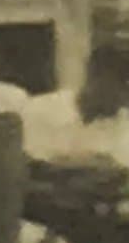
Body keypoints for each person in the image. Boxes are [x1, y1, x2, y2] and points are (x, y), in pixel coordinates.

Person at [23, 42, 129, 176]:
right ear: (94, 73)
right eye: (121, 84)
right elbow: (28, 165)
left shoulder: (124, 126)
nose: (124, 96)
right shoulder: (40, 108)